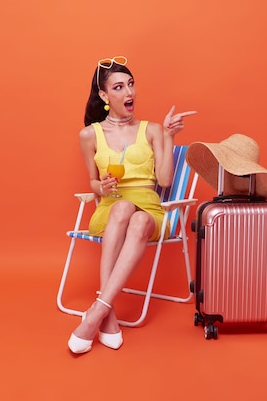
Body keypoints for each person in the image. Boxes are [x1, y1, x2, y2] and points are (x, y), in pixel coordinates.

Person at [68, 56, 196, 354]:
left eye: (131, 85)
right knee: (122, 208)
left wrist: (169, 135)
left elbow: (164, 179)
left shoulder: (151, 129)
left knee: (135, 216)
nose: (129, 93)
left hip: (149, 212)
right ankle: (107, 312)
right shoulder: (89, 135)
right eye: (119, 87)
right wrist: (103, 186)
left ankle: (96, 313)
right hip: (110, 210)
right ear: (103, 95)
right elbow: (92, 182)